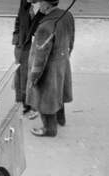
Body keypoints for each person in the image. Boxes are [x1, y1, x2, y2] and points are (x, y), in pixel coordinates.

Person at [26, 0, 75, 138]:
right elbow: (71, 39)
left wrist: (34, 78)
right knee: (58, 92)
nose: (39, 6)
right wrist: (66, 56)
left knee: (44, 99)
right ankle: (61, 119)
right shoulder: (67, 15)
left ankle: (49, 129)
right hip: (62, 62)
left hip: (48, 70)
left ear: (46, 5)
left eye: (40, 3)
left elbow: (40, 59)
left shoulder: (45, 27)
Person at [12, 0, 43, 119]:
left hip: (28, 46)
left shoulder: (37, 8)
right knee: (22, 76)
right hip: (23, 46)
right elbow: (22, 23)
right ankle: (24, 106)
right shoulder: (25, 7)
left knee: (26, 76)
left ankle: (28, 106)